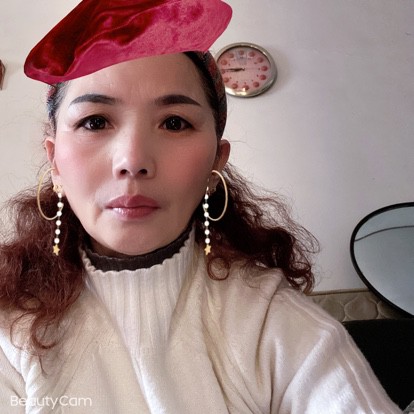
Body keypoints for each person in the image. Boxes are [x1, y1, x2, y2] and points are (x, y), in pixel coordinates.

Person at [0, 0, 401, 412]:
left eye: (174, 122)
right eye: (95, 122)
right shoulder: (11, 332)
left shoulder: (275, 325)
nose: (133, 160)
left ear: (215, 162)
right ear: (55, 161)